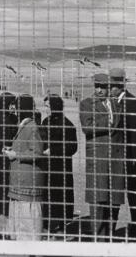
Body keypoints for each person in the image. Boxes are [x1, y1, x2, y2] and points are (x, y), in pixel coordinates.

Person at [79, 72, 121, 241]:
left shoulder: (116, 105)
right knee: (98, 200)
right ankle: (99, 239)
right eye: (97, 86)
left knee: (114, 200)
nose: (99, 90)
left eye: (103, 87)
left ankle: (110, 235)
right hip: (97, 160)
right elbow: (87, 127)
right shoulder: (86, 104)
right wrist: (108, 122)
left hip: (116, 160)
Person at [4, 94, 45, 241]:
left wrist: (16, 154)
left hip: (28, 184)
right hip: (20, 184)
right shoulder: (24, 125)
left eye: (17, 108)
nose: (15, 112)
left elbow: (37, 152)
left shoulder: (32, 127)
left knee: (28, 228)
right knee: (20, 227)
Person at [109, 67, 136, 240]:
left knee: (134, 198)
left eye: (113, 85)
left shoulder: (132, 103)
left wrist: (134, 159)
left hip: (130, 160)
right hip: (115, 159)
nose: (110, 89)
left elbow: (135, 134)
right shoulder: (112, 102)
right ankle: (110, 230)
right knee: (114, 196)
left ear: (121, 85)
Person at [41, 93, 78, 236]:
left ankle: (62, 227)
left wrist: (54, 151)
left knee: (62, 198)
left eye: (48, 107)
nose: (46, 110)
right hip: (46, 168)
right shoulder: (45, 122)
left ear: (55, 107)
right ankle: (46, 226)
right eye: (45, 107)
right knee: (47, 198)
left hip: (61, 168)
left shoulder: (67, 124)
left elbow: (72, 147)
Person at [0, 92, 18, 239]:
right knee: (7, 194)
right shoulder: (10, 120)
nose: (14, 107)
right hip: (6, 160)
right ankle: (6, 230)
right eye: (11, 104)